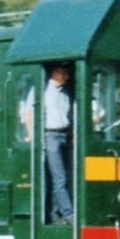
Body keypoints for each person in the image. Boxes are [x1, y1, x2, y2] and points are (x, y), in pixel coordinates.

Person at [43, 63, 73, 224]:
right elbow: (27, 113)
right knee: (59, 177)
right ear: (55, 73)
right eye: (64, 74)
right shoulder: (43, 92)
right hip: (51, 136)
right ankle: (68, 213)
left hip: (63, 135)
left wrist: (70, 134)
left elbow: (66, 116)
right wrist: (29, 135)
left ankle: (56, 213)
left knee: (62, 176)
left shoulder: (64, 94)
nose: (67, 77)